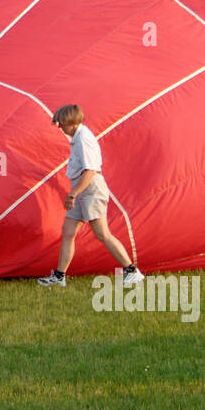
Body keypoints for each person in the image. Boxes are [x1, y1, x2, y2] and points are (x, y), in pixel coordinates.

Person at [38, 103, 144, 287]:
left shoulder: (83, 139)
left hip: (90, 190)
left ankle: (131, 270)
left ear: (69, 123)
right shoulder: (78, 138)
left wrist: (72, 194)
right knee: (68, 232)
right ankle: (59, 276)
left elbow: (90, 171)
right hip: (81, 189)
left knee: (102, 233)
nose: (59, 127)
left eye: (60, 123)